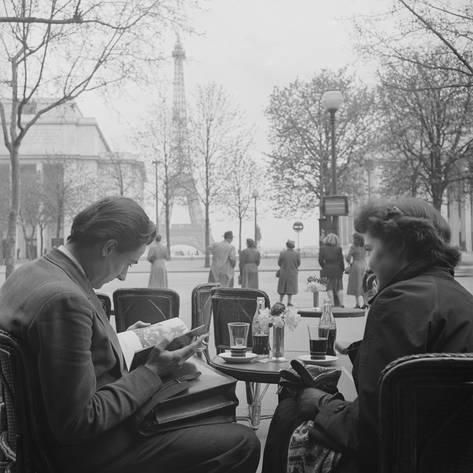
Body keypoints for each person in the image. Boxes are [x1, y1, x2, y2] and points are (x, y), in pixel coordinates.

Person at [0, 197, 260, 473]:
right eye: (129, 263)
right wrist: (152, 371)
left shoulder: (29, 273)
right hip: (85, 455)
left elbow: (55, 361)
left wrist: (119, 339)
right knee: (240, 441)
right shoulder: (65, 300)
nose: (124, 276)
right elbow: (79, 421)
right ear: (109, 248)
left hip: (38, 439)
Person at [262, 197, 473, 473]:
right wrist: (359, 350)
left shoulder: (398, 300)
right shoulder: (459, 297)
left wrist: (320, 401)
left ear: (400, 247)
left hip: (395, 458)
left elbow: (372, 430)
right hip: (446, 455)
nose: (370, 263)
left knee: (290, 409)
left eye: (372, 249)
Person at [318, 233, 345, 307]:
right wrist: (342, 269)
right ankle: (341, 303)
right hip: (337, 269)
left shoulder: (322, 248)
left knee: (329, 287)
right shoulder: (339, 249)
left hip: (327, 269)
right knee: (339, 287)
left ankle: (332, 303)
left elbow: (320, 260)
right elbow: (341, 261)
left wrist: (324, 266)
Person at [345, 232, 367, 308]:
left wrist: (350, 263)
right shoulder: (364, 246)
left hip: (356, 265)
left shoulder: (353, 247)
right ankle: (365, 303)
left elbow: (348, 258)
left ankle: (358, 304)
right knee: (364, 284)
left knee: (356, 284)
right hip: (364, 265)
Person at [277, 239, 301, 306]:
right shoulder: (296, 254)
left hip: (283, 272)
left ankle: (280, 301)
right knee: (290, 288)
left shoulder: (282, 253)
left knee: (282, 287)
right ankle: (289, 302)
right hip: (292, 273)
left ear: (287, 245)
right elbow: (299, 263)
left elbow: (279, 263)